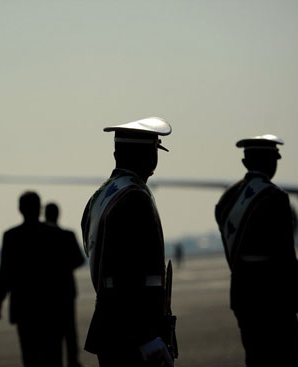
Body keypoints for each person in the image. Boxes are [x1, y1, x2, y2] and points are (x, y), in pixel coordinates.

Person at [215, 134, 298, 366]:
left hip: (242, 295)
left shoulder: (228, 198)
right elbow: (286, 260)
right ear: (272, 163)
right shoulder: (275, 198)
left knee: (256, 359)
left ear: (245, 163)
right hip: (273, 300)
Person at [81, 117, 176, 366]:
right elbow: (128, 270)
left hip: (110, 321)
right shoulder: (134, 197)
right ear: (149, 157)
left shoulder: (102, 194)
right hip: (133, 330)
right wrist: (147, 337)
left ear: (116, 154)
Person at [0, 191, 67, 367]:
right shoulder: (54, 234)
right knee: (54, 358)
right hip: (51, 307)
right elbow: (63, 272)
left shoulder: (11, 236)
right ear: (40, 208)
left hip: (24, 309)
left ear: (20, 209)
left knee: (30, 357)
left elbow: (4, 274)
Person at [45, 203, 85, 367]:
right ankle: (73, 361)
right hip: (66, 290)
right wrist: (65, 267)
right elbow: (80, 260)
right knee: (70, 330)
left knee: (52, 331)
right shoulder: (67, 235)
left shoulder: (41, 238)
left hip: (48, 292)